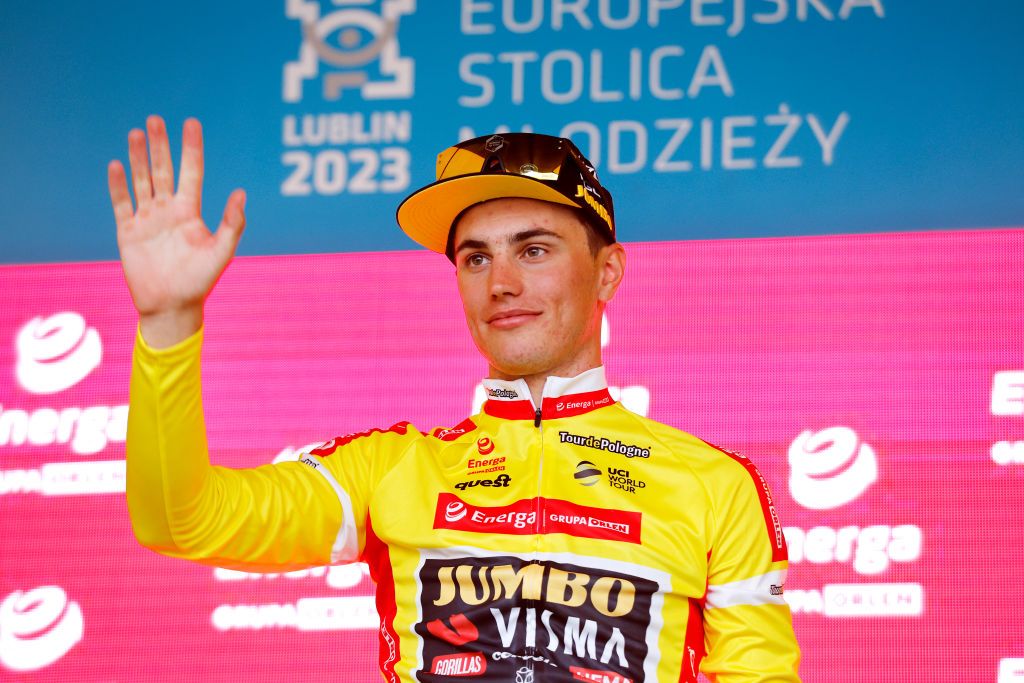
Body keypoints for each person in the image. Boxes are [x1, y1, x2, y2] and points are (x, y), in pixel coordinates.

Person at [109, 116, 801, 682]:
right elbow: (181, 521)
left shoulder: (716, 485)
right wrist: (169, 322)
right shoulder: (390, 467)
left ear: (608, 272)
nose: (499, 281)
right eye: (475, 257)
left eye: (533, 250)